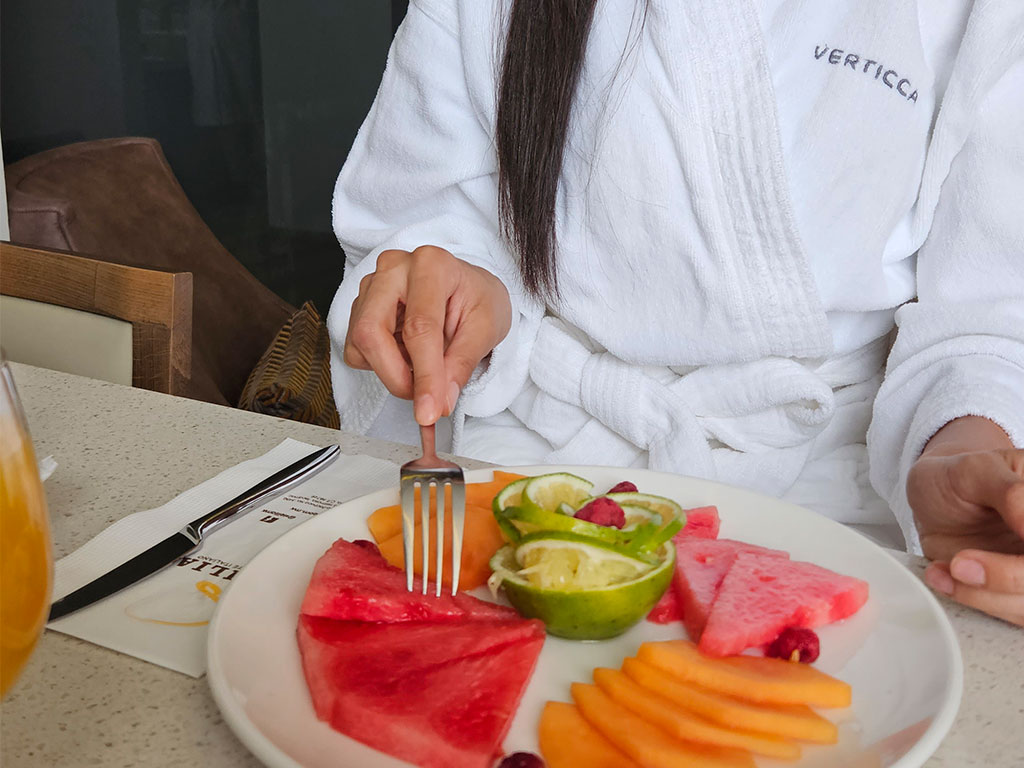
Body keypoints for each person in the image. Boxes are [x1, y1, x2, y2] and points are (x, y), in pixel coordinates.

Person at [326, 0, 1024, 626]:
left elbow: (988, 308)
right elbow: (427, 214)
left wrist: (960, 449)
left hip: (843, 489)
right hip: (541, 470)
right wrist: (447, 293)